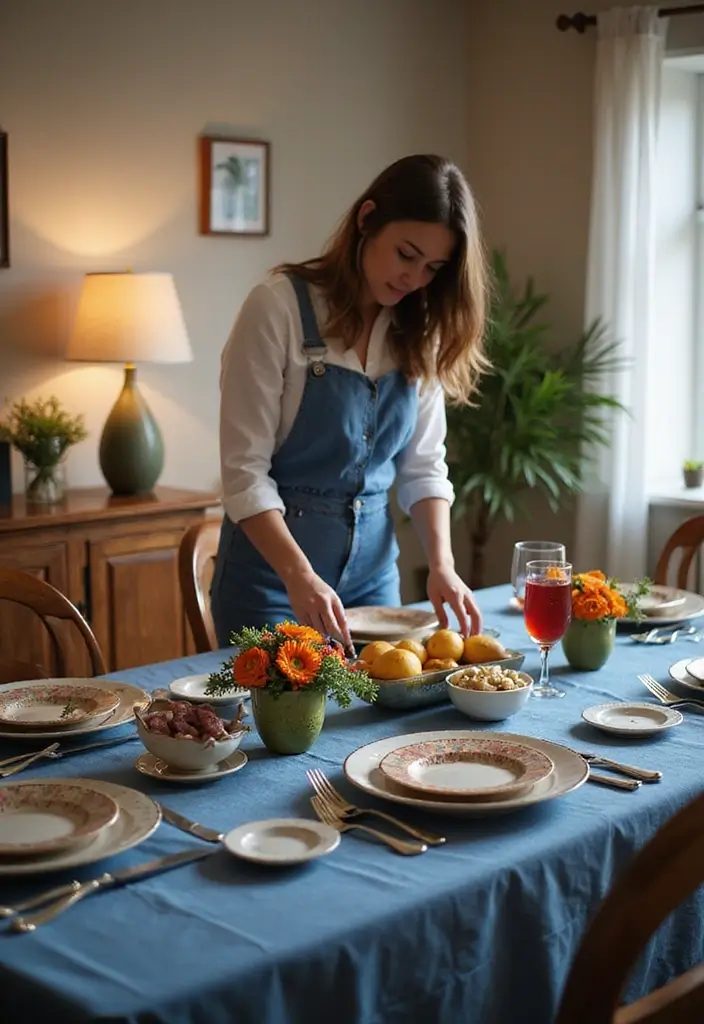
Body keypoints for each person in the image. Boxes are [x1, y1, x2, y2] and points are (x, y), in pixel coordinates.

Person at [211, 153, 488, 653]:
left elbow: (424, 468)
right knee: (282, 726)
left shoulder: (418, 331)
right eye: (406, 254)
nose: (414, 279)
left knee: (379, 722)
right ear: (367, 220)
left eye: (433, 268)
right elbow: (244, 476)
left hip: (373, 586)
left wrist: (442, 565)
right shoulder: (276, 310)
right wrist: (299, 575)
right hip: (273, 585)